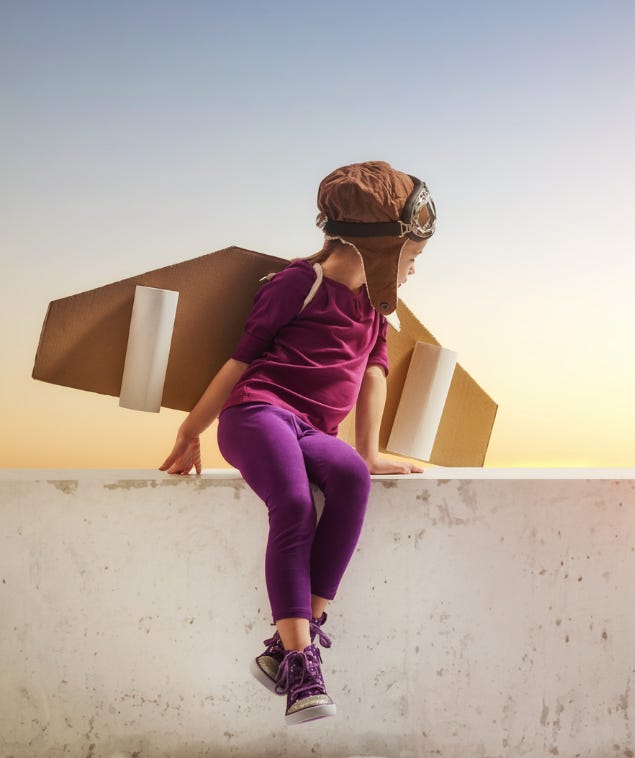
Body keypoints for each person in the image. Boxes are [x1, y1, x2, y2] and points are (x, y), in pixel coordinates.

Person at [159, 161, 435, 725]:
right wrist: (191, 431)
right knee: (295, 503)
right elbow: (239, 361)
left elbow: (371, 376)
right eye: (411, 259)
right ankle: (302, 663)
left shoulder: (376, 309)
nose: (412, 272)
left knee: (354, 479)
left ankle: (289, 646)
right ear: (381, 248)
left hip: (313, 430)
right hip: (258, 414)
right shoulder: (297, 284)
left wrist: (371, 452)